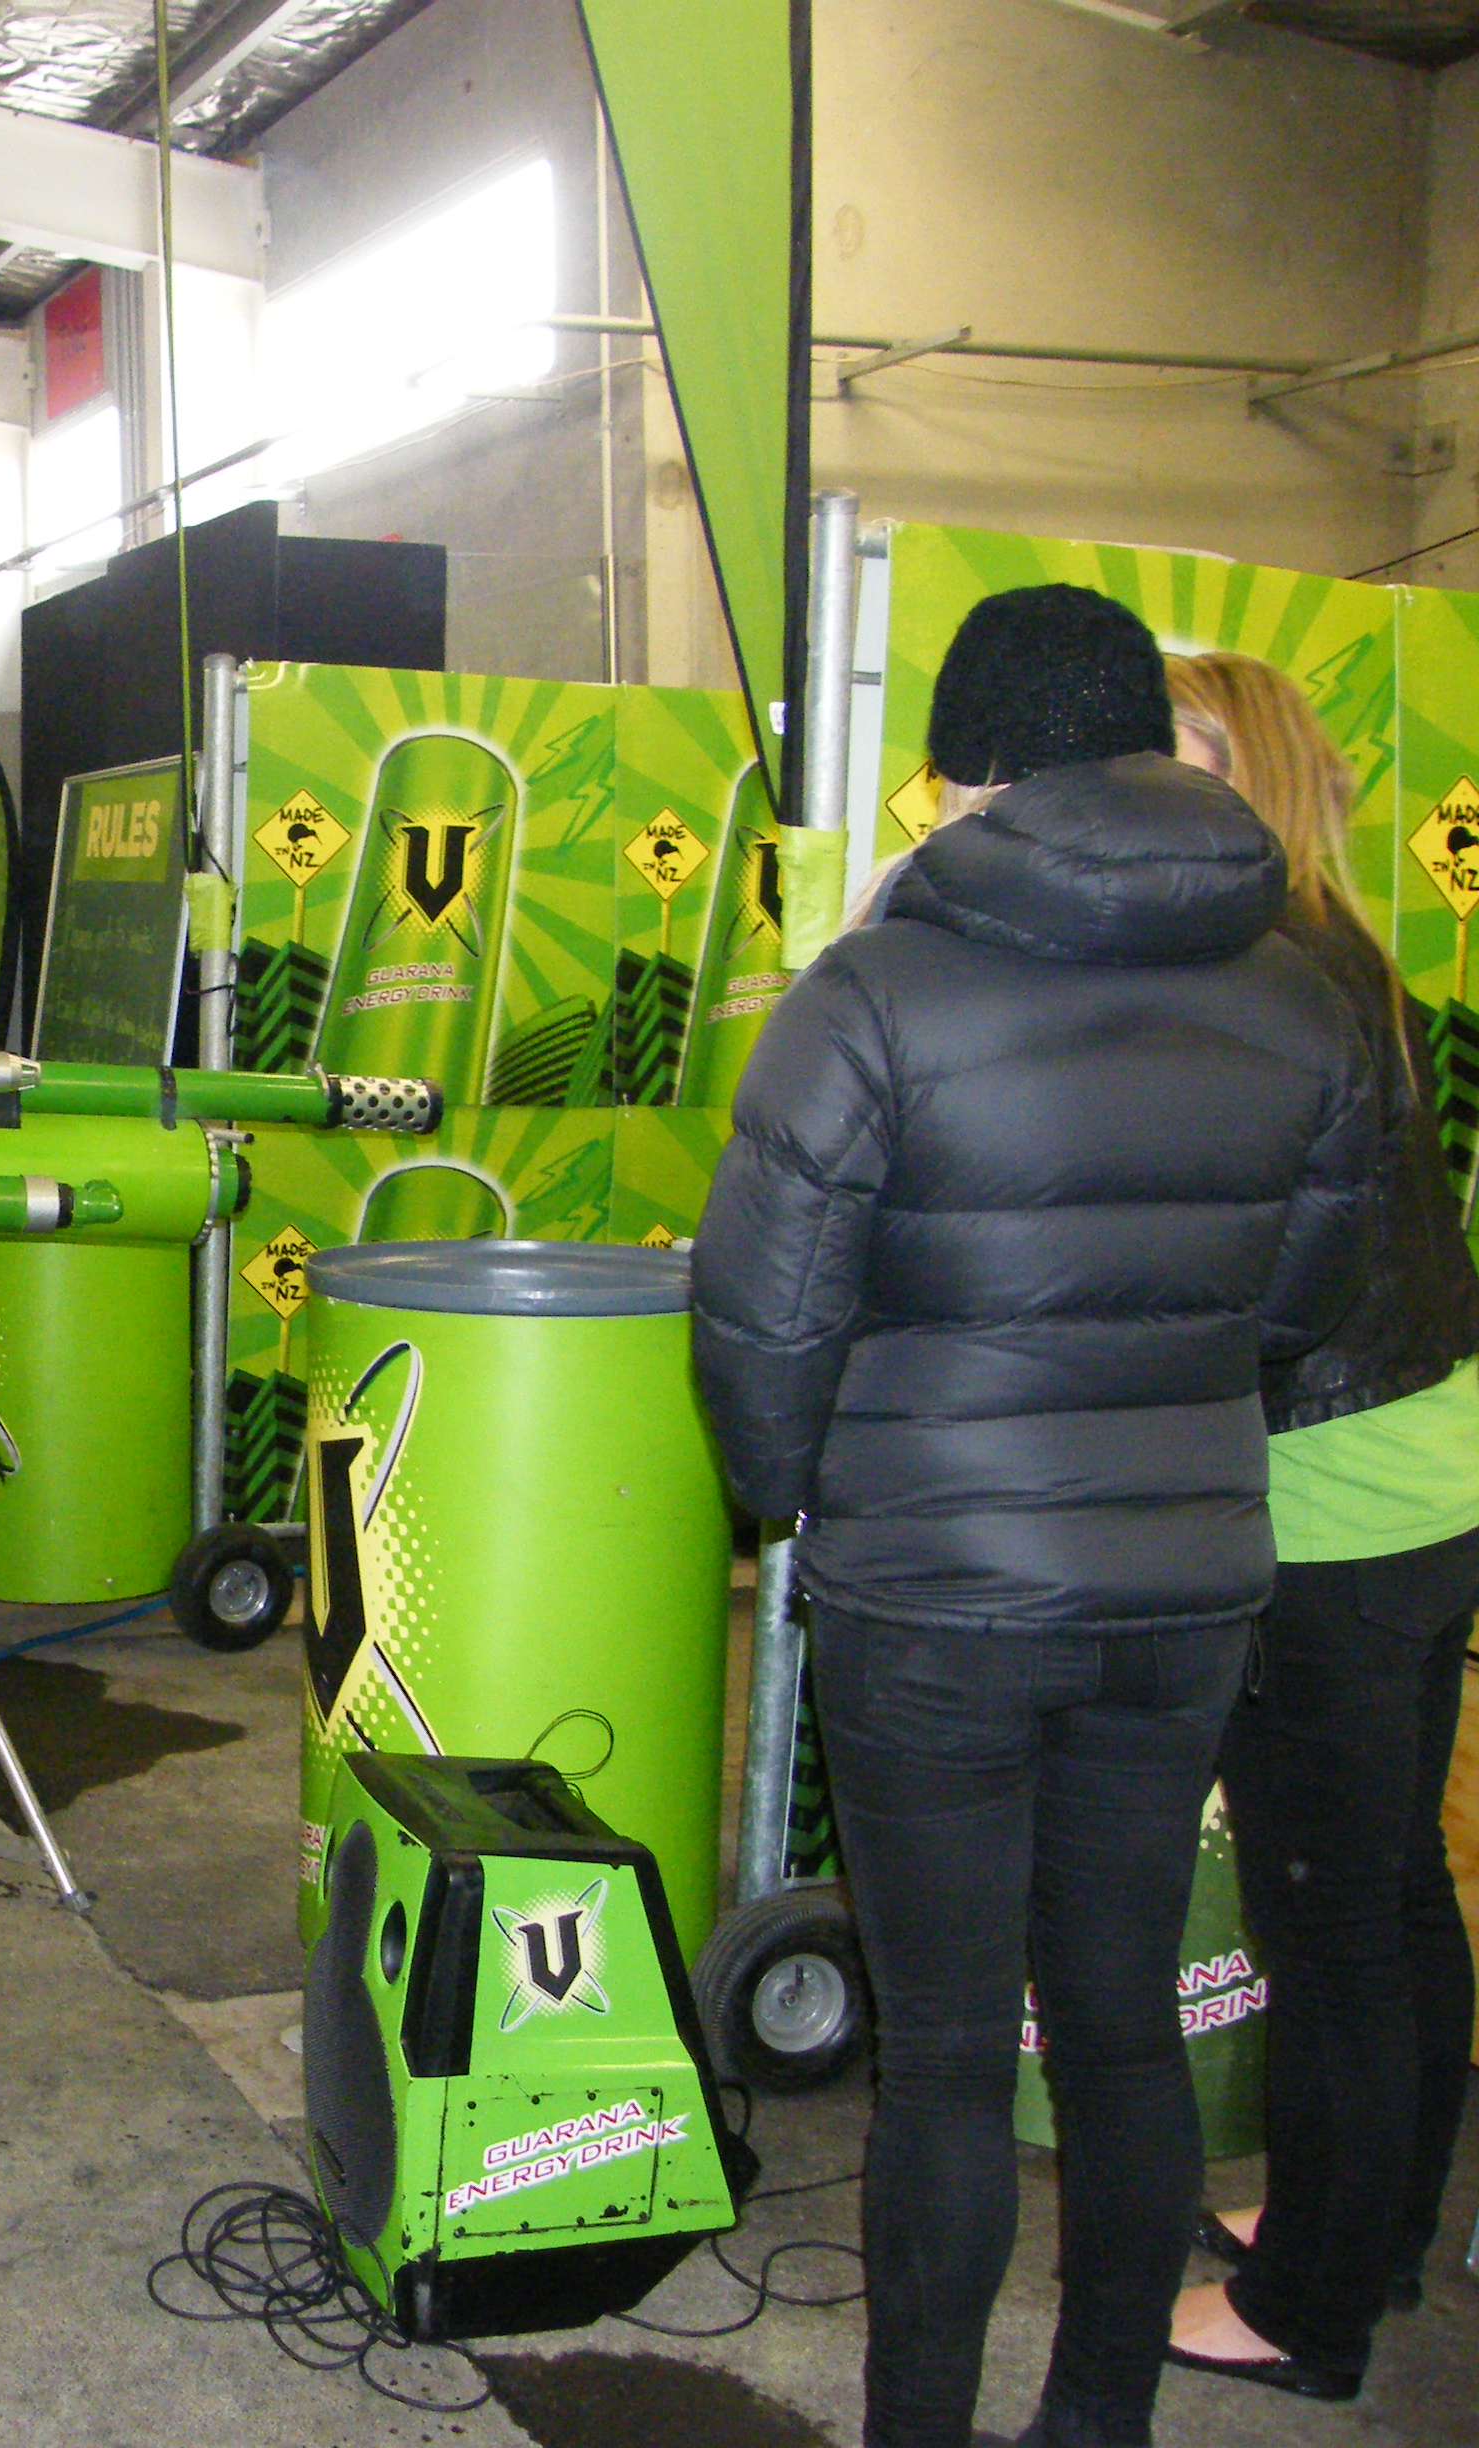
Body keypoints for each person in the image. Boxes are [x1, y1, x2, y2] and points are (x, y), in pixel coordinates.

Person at [688, 586, 1378, 2448]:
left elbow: (759, 1320)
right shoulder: (1298, 992)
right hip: (1182, 1586)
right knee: (1119, 2025)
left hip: (931, 1587)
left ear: (974, 763)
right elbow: (1298, 1301)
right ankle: (1095, 2426)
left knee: (938, 2061)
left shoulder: (873, 994)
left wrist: (792, 1495)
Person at [1156, 652, 1479, 2402]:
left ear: (1251, 772)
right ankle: (1370, 2226)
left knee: (1329, 1920)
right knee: (1391, 1895)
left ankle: (1307, 2312)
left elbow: (1256, 1265)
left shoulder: (1256, 968)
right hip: (1423, 1466)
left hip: (1331, 1497)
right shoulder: (1336, 948)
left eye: (1175, 750)